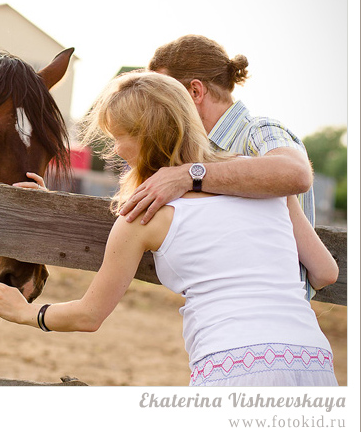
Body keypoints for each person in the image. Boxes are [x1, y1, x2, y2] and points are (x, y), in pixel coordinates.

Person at [0, 70, 338, 386]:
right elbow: (325, 272)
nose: (116, 150)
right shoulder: (261, 182)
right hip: (312, 358)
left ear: (147, 136)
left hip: (232, 363)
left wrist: (25, 313)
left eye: (118, 137)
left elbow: (89, 315)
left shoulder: (141, 220)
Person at [121, 35, 317, 300]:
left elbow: (296, 173)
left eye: (163, 93)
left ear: (195, 92)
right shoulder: (199, 151)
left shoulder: (258, 130)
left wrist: (190, 176)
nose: (153, 105)